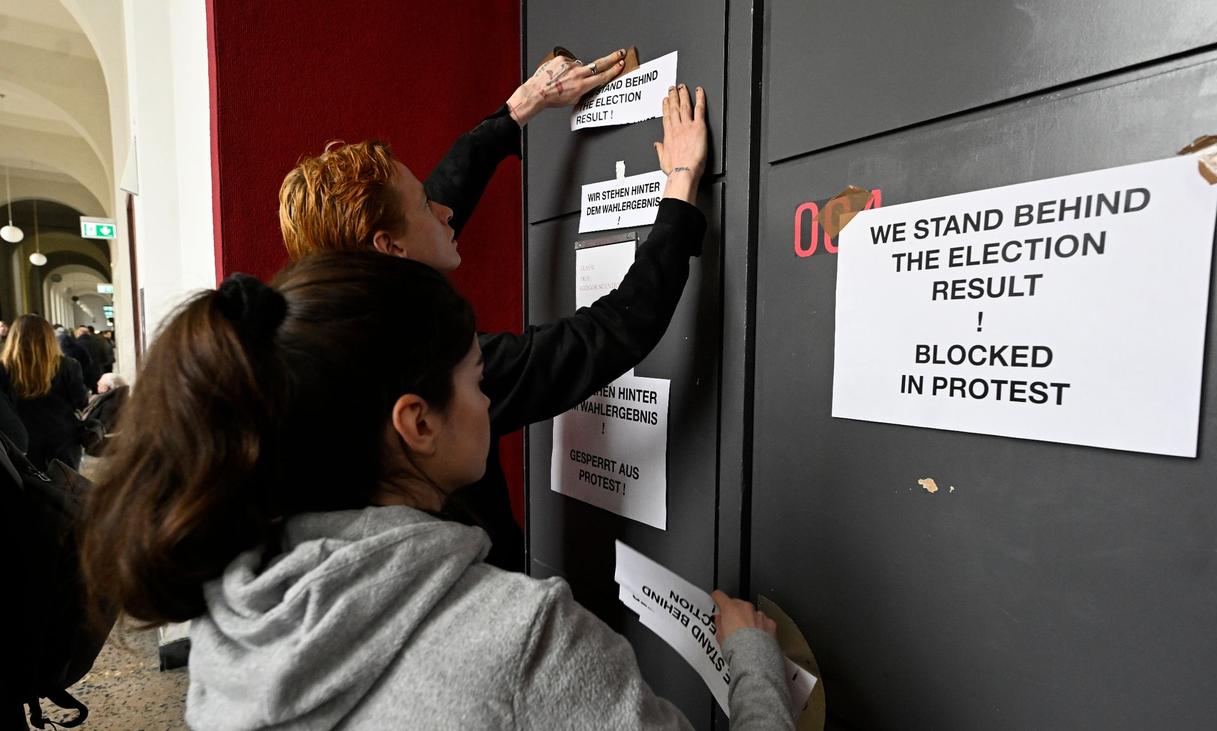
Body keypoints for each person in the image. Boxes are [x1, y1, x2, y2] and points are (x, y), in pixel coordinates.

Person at [80, 253, 793, 729]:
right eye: (478, 380)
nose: (489, 402)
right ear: (416, 421)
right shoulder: (523, 638)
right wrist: (754, 668)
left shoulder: (229, 617)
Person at [280, 54, 709, 572]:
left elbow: (443, 194)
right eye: (423, 207)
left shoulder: (336, 337)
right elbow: (613, 332)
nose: (443, 211)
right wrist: (681, 184)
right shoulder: (436, 368)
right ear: (390, 249)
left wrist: (520, 108)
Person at [1, 315, 88, 469]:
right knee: (65, 487)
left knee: (30, 489)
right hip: (63, 438)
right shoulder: (69, 365)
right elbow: (81, 402)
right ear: (49, 338)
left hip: (21, 443)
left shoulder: (4, 369)